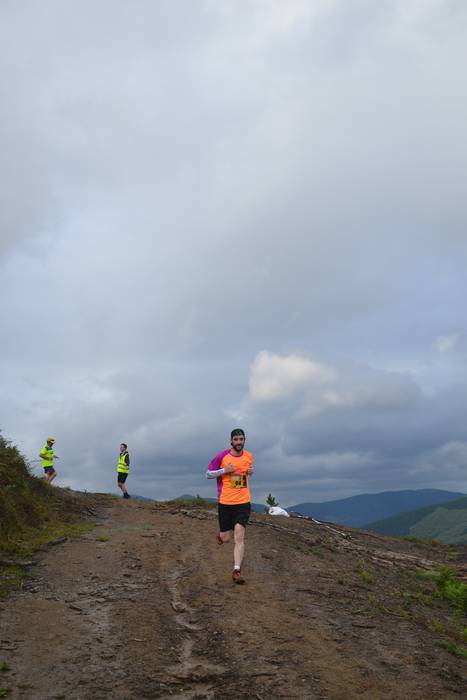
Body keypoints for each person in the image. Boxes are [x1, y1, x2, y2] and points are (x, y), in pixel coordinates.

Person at [206, 428, 254, 584]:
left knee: (239, 536)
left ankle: (236, 570)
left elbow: (246, 473)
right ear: (231, 441)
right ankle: (220, 535)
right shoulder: (222, 456)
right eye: (236, 439)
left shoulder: (249, 456)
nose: (239, 442)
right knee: (226, 538)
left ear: (244, 440)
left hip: (243, 502)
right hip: (225, 502)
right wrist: (224, 470)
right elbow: (208, 474)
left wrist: (250, 472)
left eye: (241, 439)